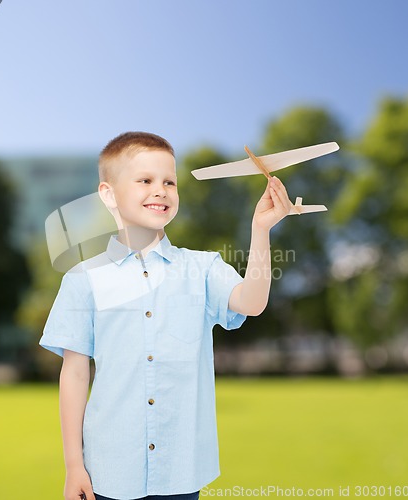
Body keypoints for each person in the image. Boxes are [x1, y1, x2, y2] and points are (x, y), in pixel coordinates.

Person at [39, 131, 292, 500]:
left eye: (170, 182)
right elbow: (75, 374)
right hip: (108, 471)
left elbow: (252, 302)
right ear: (108, 193)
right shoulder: (83, 280)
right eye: (145, 180)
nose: (161, 190)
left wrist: (260, 230)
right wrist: (73, 465)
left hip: (181, 473)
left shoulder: (204, 268)